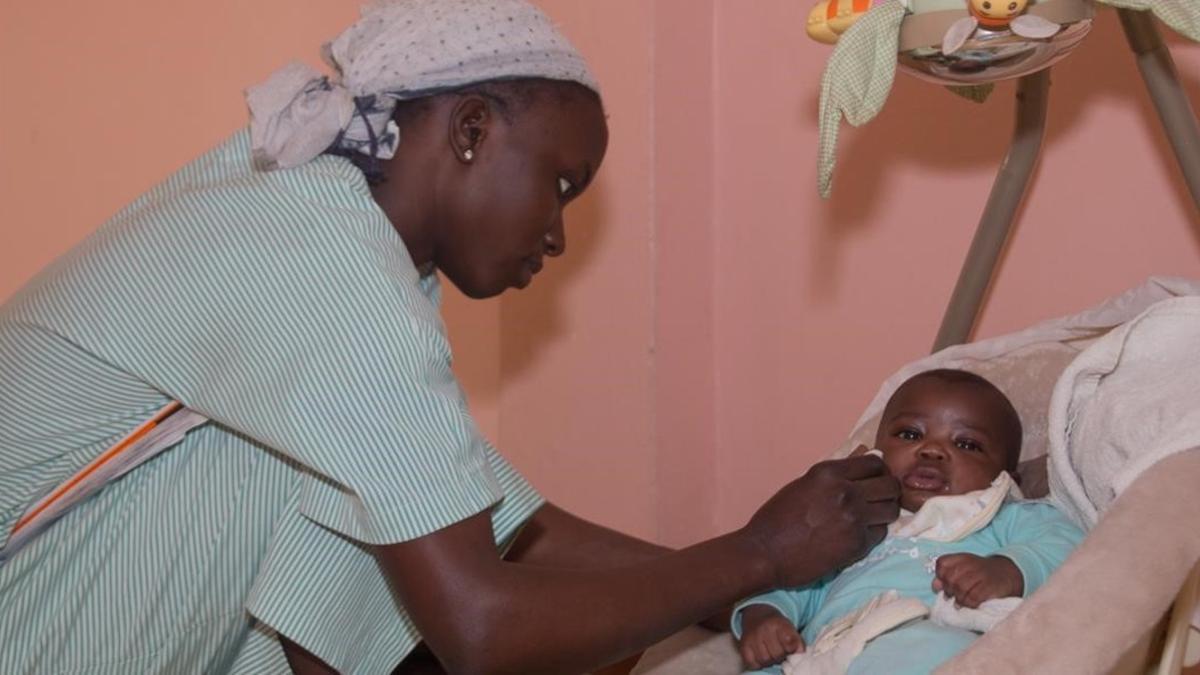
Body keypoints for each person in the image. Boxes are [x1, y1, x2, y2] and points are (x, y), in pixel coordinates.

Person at [0, 1, 900, 673]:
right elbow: (479, 623)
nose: (556, 233)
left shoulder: (329, 232)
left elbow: (510, 523)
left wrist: (755, 588)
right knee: (386, 533)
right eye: (560, 183)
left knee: (371, 503)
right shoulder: (324, 261)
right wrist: (762, 553)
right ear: (470, 130)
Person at [734, 369, 1085, 674]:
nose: (931, 450)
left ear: (1006, 477)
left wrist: (1008, 569)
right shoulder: (850, 521)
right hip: (828, 654)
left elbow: (1071, 547)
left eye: (966, 443)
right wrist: (764, 617)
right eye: (910, 435)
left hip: (929, 635)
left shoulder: (1004, 515)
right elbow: (793, 578)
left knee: (933, 650)